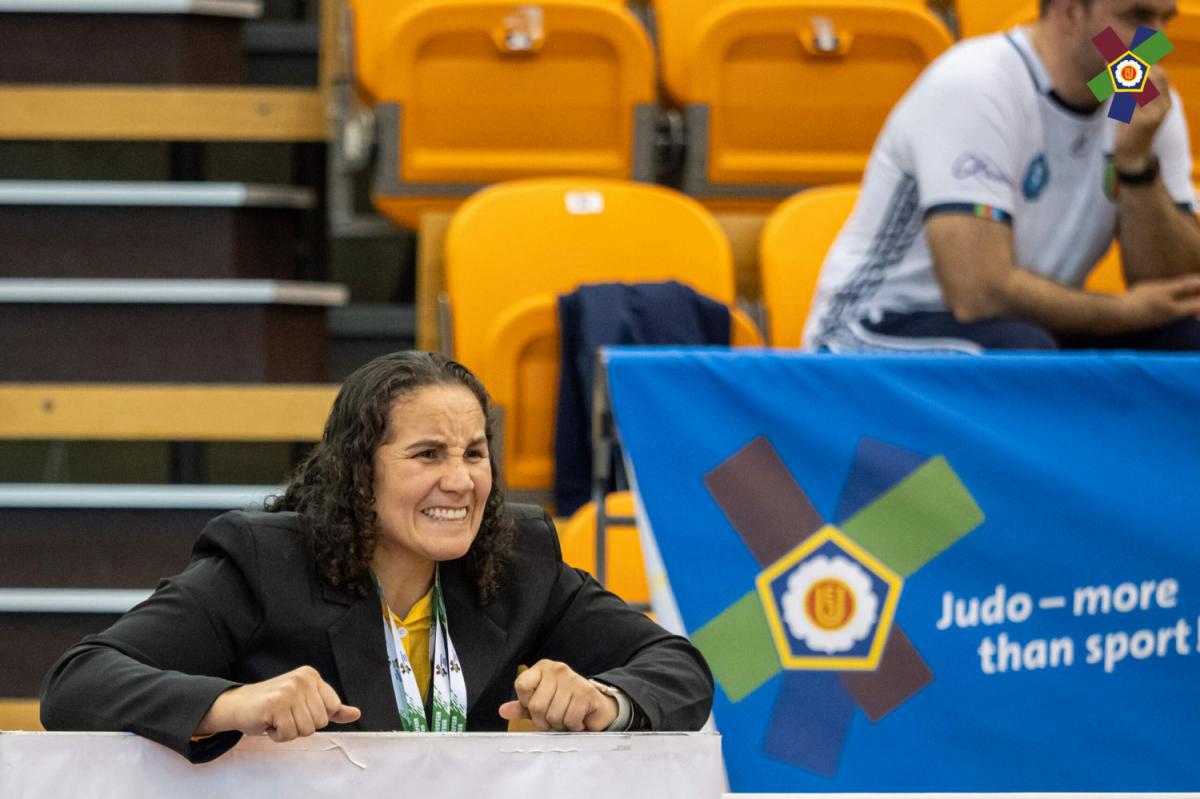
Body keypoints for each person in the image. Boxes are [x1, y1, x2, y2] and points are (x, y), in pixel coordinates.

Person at [40, 351, 713, 763]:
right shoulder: (263, 563)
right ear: (360, 470)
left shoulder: (520, 557)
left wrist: (606, 699)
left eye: (474, 453)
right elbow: (78, 681)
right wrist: (233, 704)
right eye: (428, 454)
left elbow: (681, 669)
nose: (461, 480)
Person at [804, 0, 1200, 352]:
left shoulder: (1140, 101)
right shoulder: (979, 83)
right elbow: (978, 292)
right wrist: (1125, 313)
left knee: (1183, 342)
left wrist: (1136, 169)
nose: (1156, 40)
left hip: (1019, 326)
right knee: (1021, 355)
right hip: (871, 327)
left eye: (1166, 20)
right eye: (1138, 17)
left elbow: (1176, 286)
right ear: (1070, 11)